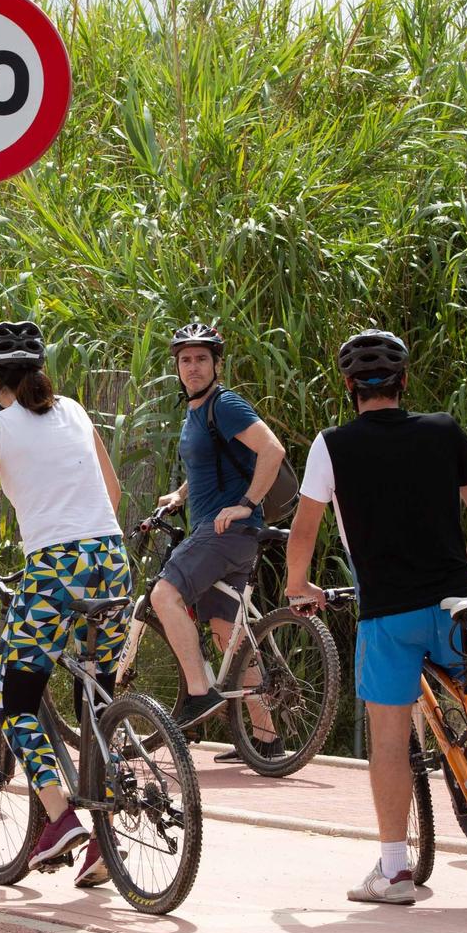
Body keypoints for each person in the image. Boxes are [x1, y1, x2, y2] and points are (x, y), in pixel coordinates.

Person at [285, 329, 467, 905]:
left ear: (349, 387)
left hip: (389, 614)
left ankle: (395, 870)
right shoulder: (443, 429)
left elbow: (305, 528)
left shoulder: (332, 445)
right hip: (457, 602)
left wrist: (297, 584)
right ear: (404, 383)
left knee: (388, 736)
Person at [0, 321, 130, 886]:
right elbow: (115, 492)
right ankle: (108, 838)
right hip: (112, 558)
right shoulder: (74, 410)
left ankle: (61, 819)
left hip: (54, 569)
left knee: (15, 696)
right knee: (97, 697)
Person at [149, 323, 289, 754]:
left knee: (163, 594)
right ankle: (267, 740)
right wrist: (181, 494)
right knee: (227, 631)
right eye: (186, 360)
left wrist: (246, 502)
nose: (193, 367)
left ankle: (198, 693)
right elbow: (210, 467)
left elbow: (273, 450)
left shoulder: (225, 404)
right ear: (177, 366)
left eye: (201, 359)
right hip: (227, 533)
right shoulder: (198, 411)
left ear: (217, 365)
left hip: (225, 531)